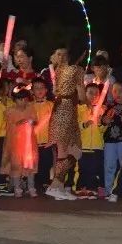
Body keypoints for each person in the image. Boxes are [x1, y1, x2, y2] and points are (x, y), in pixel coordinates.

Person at [44, 48, 84, 201]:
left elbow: (55, 90)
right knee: (71, 150)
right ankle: (54, 186)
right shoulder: (76, 70)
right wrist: (88, 103)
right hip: (66, 110)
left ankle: (58, 187)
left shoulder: (58, 70)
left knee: (68, 150)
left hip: (60, 109)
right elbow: (81, 94)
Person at [1, 89, 37, 197]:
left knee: (30, 166)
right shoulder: (10, 111)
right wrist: (19, 123)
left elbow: (35, 120)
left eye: (24, 99)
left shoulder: (30, 109)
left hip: (29, 144)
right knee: (16, 166)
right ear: (15, 100)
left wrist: (31, 122)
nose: (22, 102)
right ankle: (17, 188)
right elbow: (8, 124)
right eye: (19, 99)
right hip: (14, 144)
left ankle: (31, 187)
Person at [100, 80, 122, 198]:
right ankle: (108, 190)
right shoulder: (108, 106)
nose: (117, 93)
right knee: (109, 165)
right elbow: (102, 120)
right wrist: (104, 121)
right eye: (115, 91)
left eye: (121, 91)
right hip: (109, 141)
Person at [75, 83, 106, 197]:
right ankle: (81, 187)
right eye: (90, 93)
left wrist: (103, 124)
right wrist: (84, 124)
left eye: (96, 94)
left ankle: (92, 188)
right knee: (83, 168)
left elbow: (102, 129)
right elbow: (75, 126)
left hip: (97, 145)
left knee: (94, 168)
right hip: (83, 145)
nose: (93, 96)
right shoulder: (79, 109)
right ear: (85, 94)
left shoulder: (102, 110)